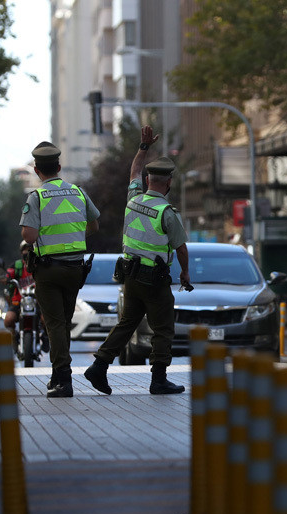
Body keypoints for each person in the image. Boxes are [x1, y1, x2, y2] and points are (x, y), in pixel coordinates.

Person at [84, 125, 192, 396]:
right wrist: (185, 274)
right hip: (154, 281)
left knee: (127, 323)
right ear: (168, 183)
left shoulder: (132, 200)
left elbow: (133, 170)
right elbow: (180, 248)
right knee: (164, 328)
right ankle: (158, 380)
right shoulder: (167, 212)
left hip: (130, 276)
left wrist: (143, 148)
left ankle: (98, 366)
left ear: (147, 181)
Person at [20, 141, 100, 397]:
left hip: (49, 270)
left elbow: (29, 236)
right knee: (63, 322)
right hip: (75, 268)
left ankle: (63, 380)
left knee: (54, 324)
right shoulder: (78, 192)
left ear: (36, 170)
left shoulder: (37, 197)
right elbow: (94, 226)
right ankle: (57, 375)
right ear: (59, 166)